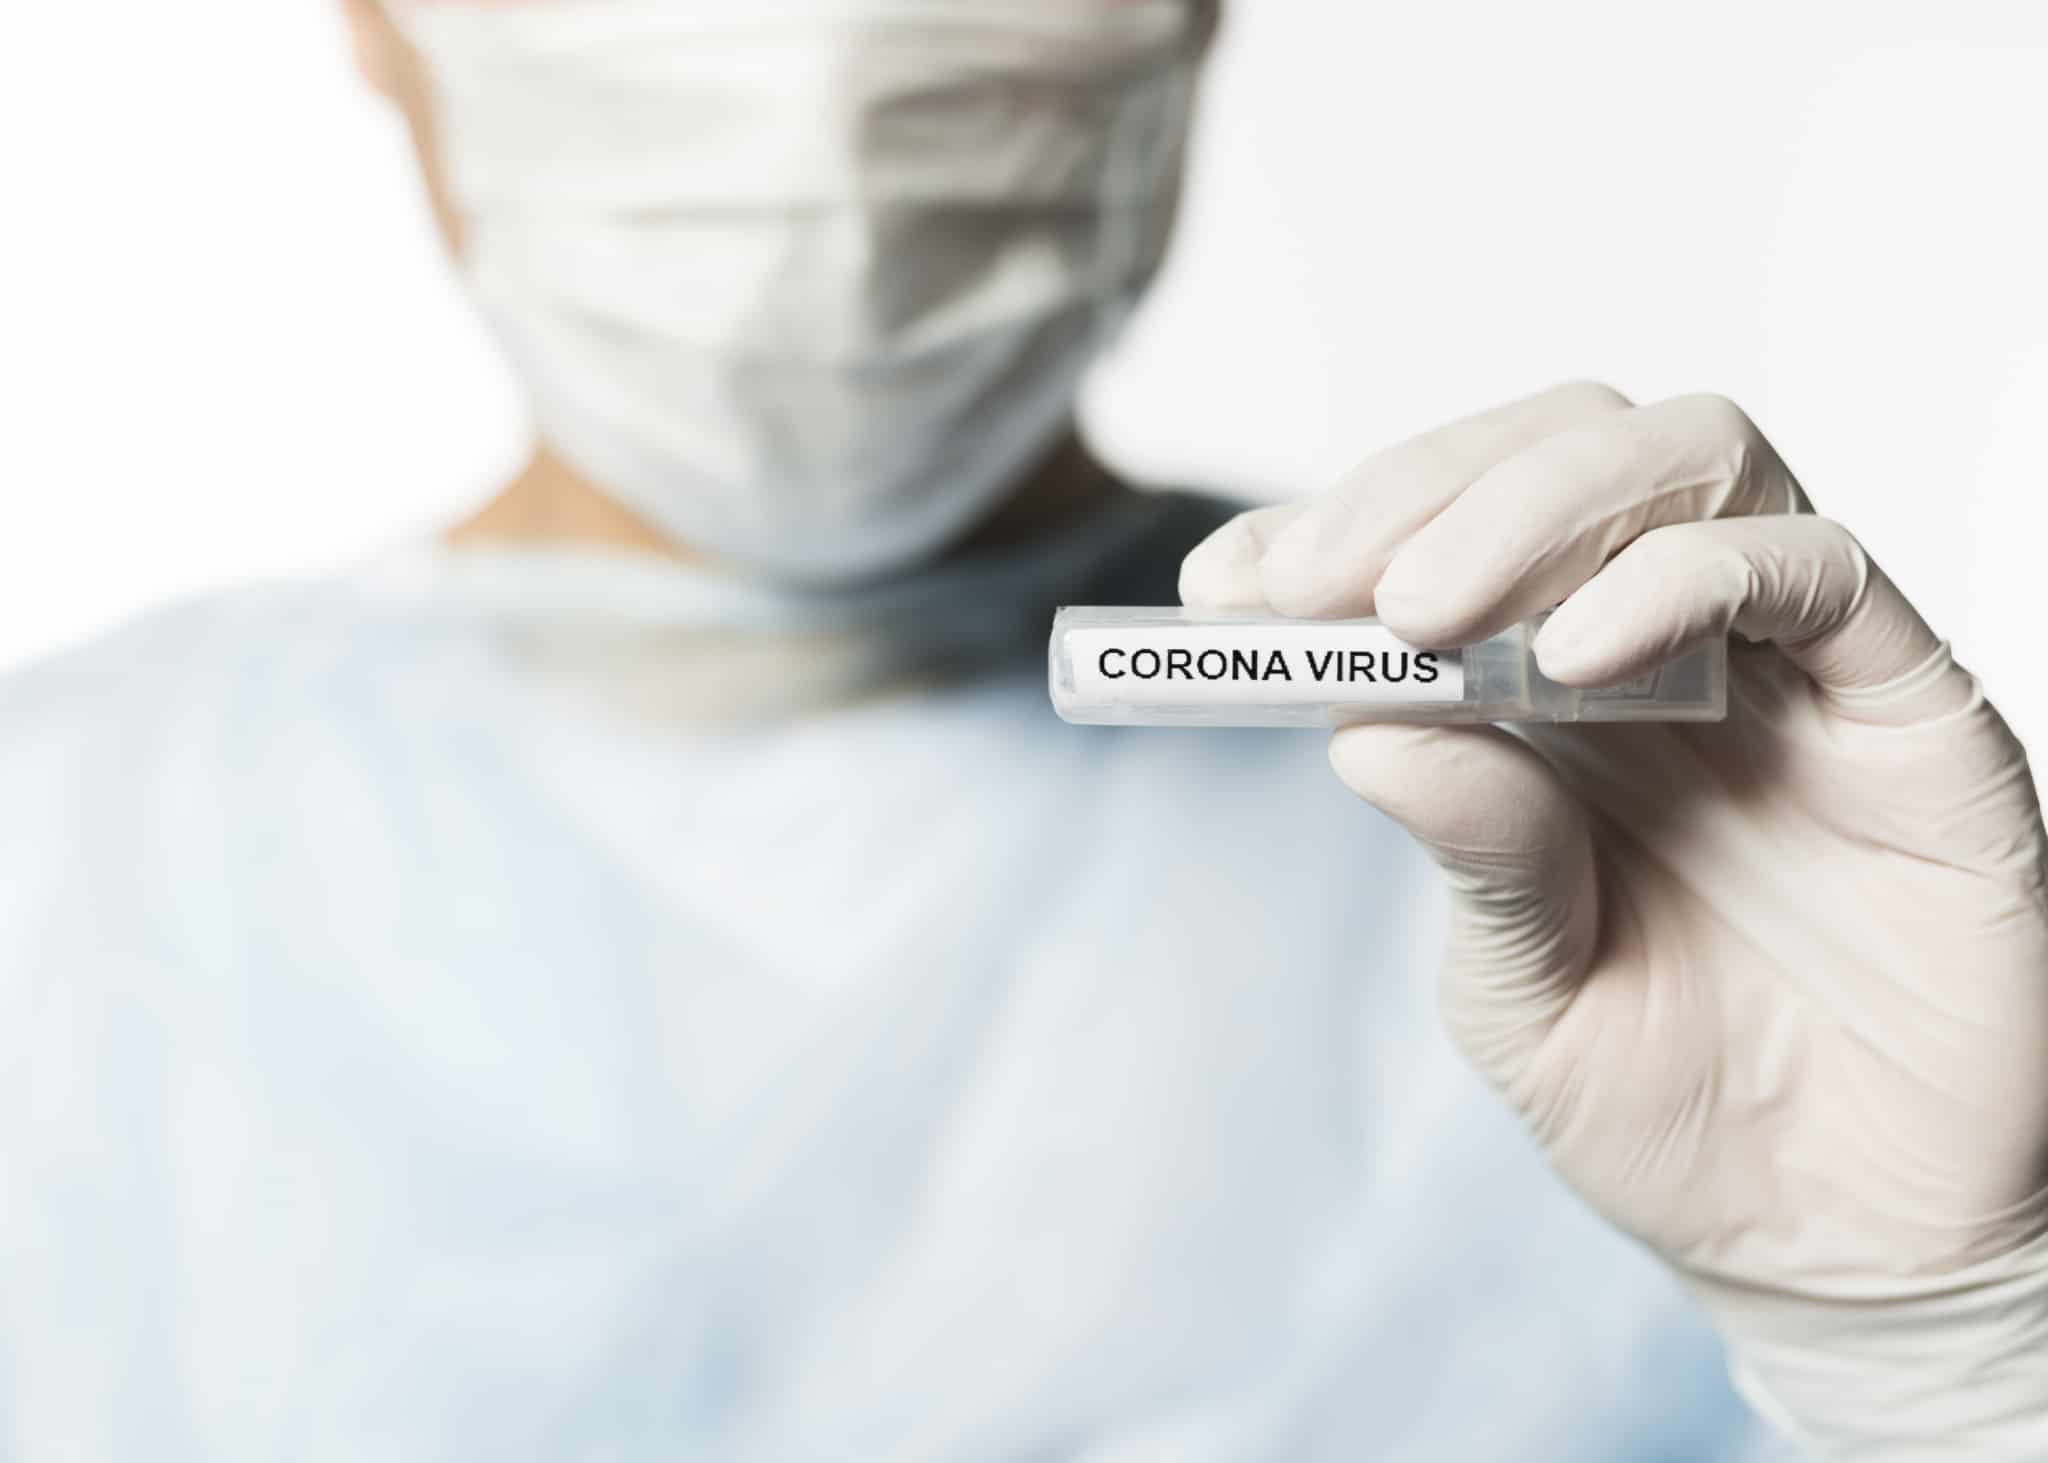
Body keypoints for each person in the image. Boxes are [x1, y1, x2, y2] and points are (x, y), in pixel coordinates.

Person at [0, 0, 2041, 1457]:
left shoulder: (1648, 811)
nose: (817, 82)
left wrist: (1958, 1365)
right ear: (379, 22)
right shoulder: (60, 852)